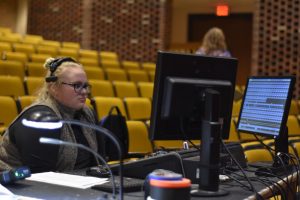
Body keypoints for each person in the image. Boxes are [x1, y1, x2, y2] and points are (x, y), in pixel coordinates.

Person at [0, 57, 104, 173]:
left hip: (77, 186)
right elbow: (42, 179)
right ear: (54, 88)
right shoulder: (41, 119)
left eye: (85, 86)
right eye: (76, 85)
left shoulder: (87, 113)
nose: (85, 92)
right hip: (17, 187)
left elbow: (98, 163)